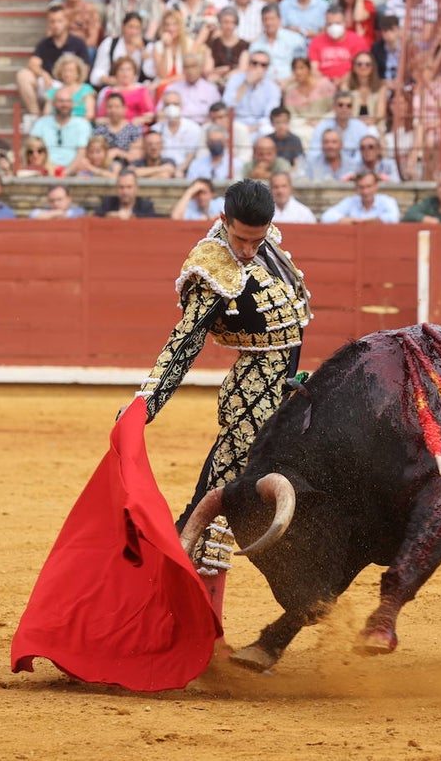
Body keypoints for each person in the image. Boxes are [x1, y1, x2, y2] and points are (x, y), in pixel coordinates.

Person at [132, 178, 312, 624]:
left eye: (258, 238)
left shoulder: (263, 242)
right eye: (241, 239)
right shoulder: (212, 267)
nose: (249, 250)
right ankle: (169, 618)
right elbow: (184, 342)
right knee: (215, 510)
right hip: (252, 399)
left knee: (220, 505)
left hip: (285, 391)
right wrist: (147, 402)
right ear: (222, 222)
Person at [15, 5, 89, 122]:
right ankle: (35, 115)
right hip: (49, 84)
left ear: (66, 21)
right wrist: (43, 74)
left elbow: (85, 70)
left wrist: (71, 84)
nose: (56, 25)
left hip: (71, 86)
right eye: (52, 21)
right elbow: (32, 63)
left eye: (59, 21)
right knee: (23, 75)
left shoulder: (78, 43)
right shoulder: (44, 44)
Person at [222, 48, 281, 138]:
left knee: (269, 130)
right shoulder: (235, 79)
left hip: (258, 126)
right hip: (237, 123)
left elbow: (270, 114)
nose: (258, 67)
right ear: (248, 64)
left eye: (263, 65)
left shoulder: (273, 87)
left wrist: (254, 127)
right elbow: (227, 106)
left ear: (267, 68)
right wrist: (245, 84)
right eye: (254, 63)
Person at [249, 3, 307, 85]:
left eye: (272, 19)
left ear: (279, 20)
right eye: (265, 19)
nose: (268, 23)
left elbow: (303, 67)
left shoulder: (295, 39)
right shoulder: (256, 44)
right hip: (263, 85)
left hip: (292, 82)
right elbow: (252, 70)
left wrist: (286, 82)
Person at [307, 6, 368, 81]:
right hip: (323, 83)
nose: (334, 27)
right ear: (325, 24)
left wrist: (341, 81)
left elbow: (360, 68)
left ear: (345, 22)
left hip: (350, 82)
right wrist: (324, 82)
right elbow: (314, 68)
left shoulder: (357, 41)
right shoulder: (316, 41)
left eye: (337, 23)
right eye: (330, 24)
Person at [320, 169, 400, 223]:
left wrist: (364, 223)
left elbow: (394, 217)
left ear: (376, 186)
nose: (365, 191)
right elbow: (326, 217)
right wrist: (354, 221)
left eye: (369, 186)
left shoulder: (386, 201)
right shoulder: (351, 201)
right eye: (361, 187)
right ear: (356, 188)